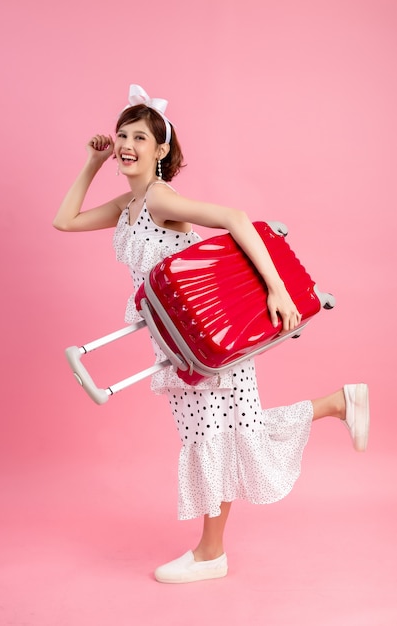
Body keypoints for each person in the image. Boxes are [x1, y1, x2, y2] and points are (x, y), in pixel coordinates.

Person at [53, 84, 370, 584]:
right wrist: (91, 164)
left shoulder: (159, 198)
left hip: (205, 338)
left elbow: (235, 219)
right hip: (179, 342)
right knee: (229, 434)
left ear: (161, 150)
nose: (127, 144)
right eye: (121, 135)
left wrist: (277, 289)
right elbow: (64, 221)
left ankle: (210, 554)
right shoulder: (129, 203)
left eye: (140, 136)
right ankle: (336, 404)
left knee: (213, 437)